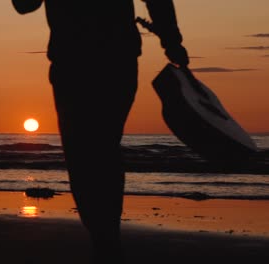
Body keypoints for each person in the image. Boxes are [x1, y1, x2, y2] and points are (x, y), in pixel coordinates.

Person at [11, 0, 189, 262]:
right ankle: (107, 240)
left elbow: (24, 5)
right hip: (116, 59)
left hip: (76, 64)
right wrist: (171, 41)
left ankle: (105, 242)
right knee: (104, 150)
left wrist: (172, 40)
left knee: (85, 155)